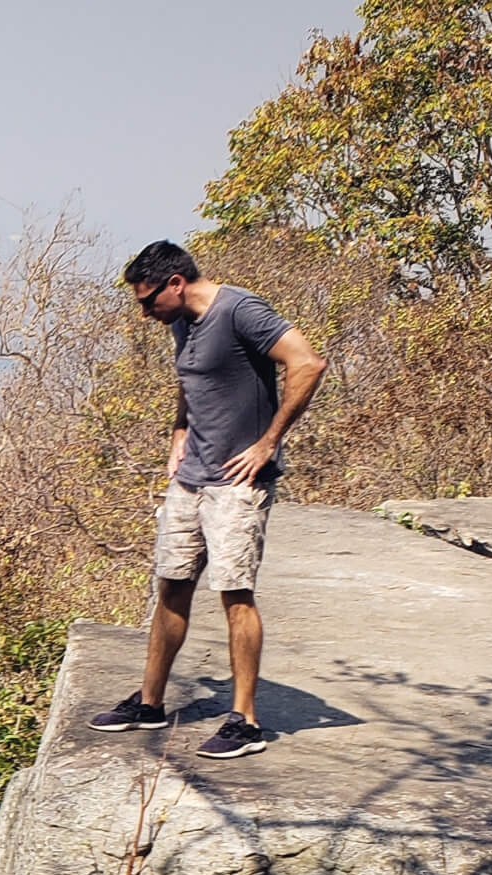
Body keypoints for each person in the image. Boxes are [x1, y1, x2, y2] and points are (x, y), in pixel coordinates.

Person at [89, 241, 326, 758]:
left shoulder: (241, 310)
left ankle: (245, 721)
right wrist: (179, 429)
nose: (144, 311)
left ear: (176, 282)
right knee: (171, 584)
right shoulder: (183, 323)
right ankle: (150, 704)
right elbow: (191, 377)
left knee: (235, 592)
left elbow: (307, 362)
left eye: (148, 300)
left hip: (237, 484)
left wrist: (267, 443)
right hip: (190, 478)